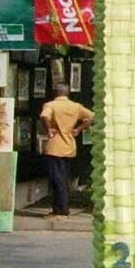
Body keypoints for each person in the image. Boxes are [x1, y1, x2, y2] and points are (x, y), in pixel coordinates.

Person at [39, 81, 94, 218]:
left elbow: (44, 116)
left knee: (56, 179)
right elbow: (92, 116)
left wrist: (49, 130)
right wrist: (78, 129)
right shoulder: (76, 107)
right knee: (64, 177)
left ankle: (61, 210)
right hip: (69, 146)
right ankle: (59, 208)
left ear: (56, 93)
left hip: (55, 146)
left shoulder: (51, 105)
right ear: (68, 93)